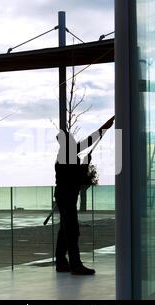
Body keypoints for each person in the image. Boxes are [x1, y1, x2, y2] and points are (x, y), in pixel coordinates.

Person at [54, 116, 115, 275]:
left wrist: (105, 126)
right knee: (72, 231)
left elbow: (90, 140)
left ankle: (61, 262)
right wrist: (86, 163)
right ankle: (75, 265)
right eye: (72, 139)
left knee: (65, 230)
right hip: (67, 197)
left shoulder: (67, 153)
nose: (75, 141)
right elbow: (76, 177)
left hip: (64, 197)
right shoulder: (66, 156)